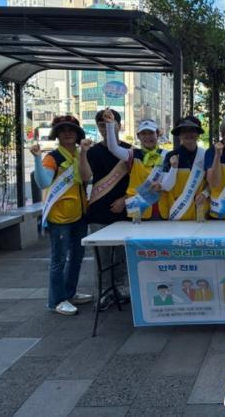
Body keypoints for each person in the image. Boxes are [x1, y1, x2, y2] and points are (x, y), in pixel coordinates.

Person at [32, 115, 91, 316]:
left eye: (71, 130)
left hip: (80, 213)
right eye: (63, 130)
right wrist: (37, 159)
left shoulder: (79, 154)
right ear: (57, 134)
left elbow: (86, 177)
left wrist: (84, 153)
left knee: (77, 257)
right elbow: (43, 182)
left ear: (78, 134)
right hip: (59, 217)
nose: (67, 133)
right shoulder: (53, 158)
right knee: (59, 259)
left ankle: (69, 293)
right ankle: (56, 300)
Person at [79, 109, 132, 311]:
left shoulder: (129, 151)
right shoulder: (92, 152)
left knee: (121, 256)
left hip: (124, 211)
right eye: (101, 124)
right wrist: (82, 153)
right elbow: (86, 177)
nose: (105, 127)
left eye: (110, 123)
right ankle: (103, 293)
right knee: (101, 258)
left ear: (119, 125)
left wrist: (125, 200)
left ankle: (121, 290)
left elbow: (138, 182)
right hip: (99, 211)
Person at [103, 112, 175, 221]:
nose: (147, 137)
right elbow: (113, 148)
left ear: (157, 134)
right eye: (143, 134)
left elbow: (170, 181)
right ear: (138, 136)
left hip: (162, 208)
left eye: (151, 133)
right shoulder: (132, 155)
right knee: (135, 232)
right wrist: (109, 125)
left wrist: (161, 185)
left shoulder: (167, 155)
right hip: (137, 207)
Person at [160, 116, 209, 221]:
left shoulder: (205, 155)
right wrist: (173, 168)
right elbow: (166, 186)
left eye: (192, 130)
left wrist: (205, 194)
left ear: (198, 134)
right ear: (179, 134)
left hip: (200, 211)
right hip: (178, 212)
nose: (188, 134)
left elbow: (211, 183)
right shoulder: (170, 156)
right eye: (184, 131)